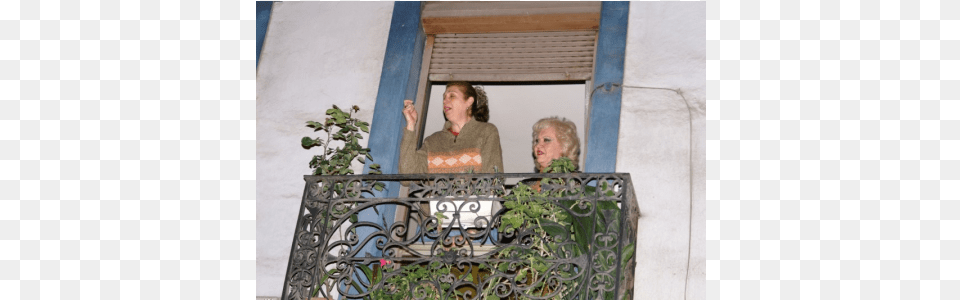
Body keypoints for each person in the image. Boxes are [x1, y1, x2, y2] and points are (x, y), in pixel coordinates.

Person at [400, 82, 503, 174]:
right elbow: (407, 175)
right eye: (444, 97)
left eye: (452, 96)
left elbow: (493, 176)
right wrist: (411, 124)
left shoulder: (486, 132)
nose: (445, 101)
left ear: (469, 102)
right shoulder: (432, 141)